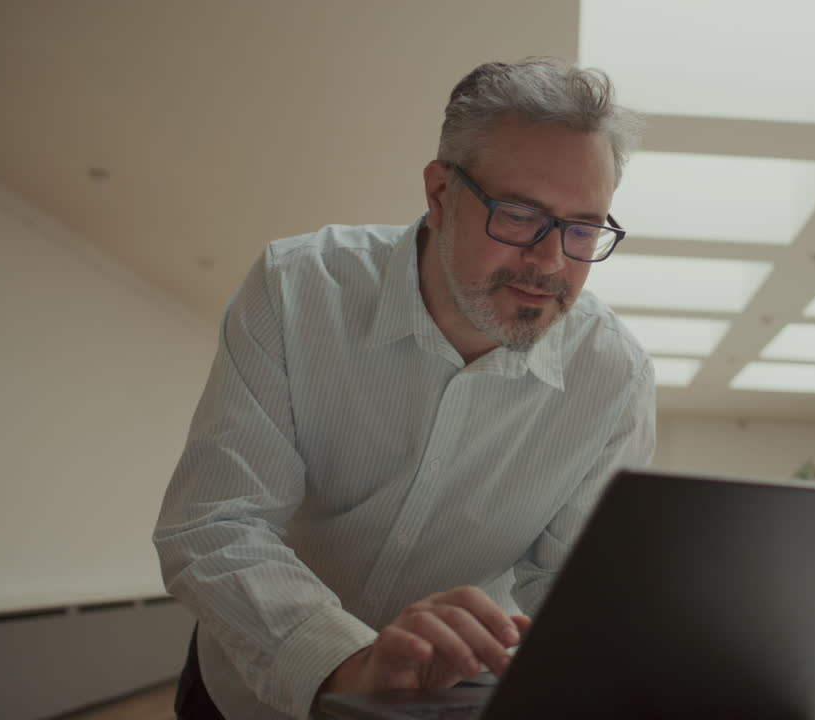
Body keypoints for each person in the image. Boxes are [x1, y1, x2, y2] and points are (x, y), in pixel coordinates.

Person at [153, 58, 656, 720]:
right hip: (251, 689)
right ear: (442, 194)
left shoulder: (614, 377)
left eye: (583, 227)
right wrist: (346, 663)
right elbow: (218, 523)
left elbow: (574, 586)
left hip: (443, 703)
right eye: (519, 215)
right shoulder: (296, 289)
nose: (551, 261)